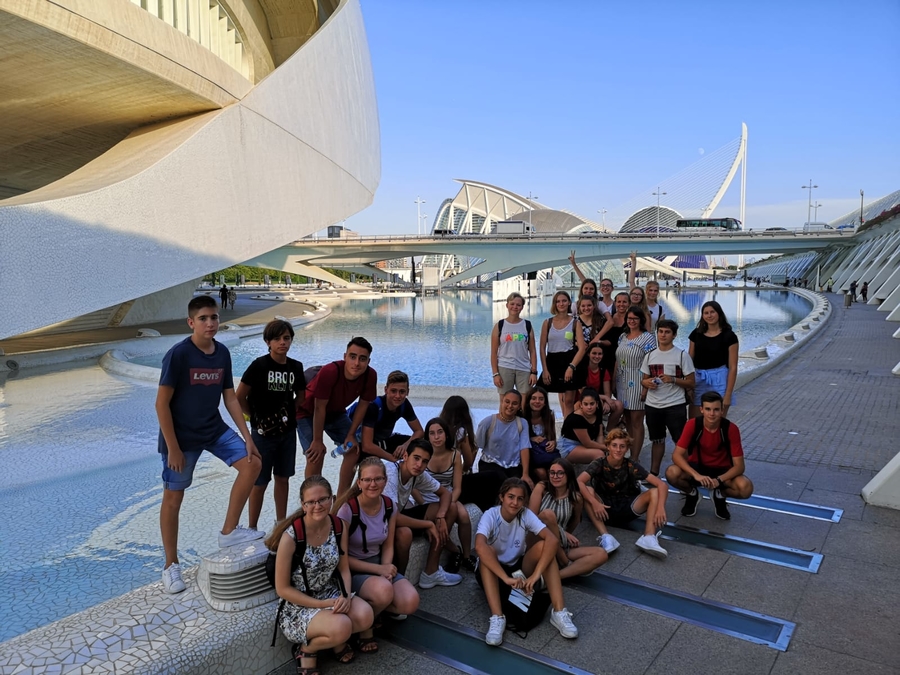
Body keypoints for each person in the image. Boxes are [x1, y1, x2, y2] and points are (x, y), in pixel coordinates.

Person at [157, 296, 263, 595]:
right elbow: (161, 404)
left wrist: (248, 438)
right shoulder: (179, 355)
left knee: (253, 463)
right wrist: (173, 448)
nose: (210, 323)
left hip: (213, 429)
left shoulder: (222, 353)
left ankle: (229, 531)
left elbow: (230, 397)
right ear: (191, 322)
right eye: (203, 318)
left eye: (214, 317)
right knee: (173, 498)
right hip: (181, 438)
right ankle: (170, 564)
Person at [268, 476, 373, 673]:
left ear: (332, 499)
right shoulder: (291, 537)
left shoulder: (339, 526)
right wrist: (321, 605)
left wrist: (345, 595)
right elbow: (282, 589)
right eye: (311, 502)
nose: (318, 506)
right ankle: (307, 650)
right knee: (342, 626)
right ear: (303, 505)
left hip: (329, 592)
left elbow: (343, 568)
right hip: (298, 605)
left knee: (365, 616)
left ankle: (336, 641)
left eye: (323, 499)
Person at [475, 478, 579, 646]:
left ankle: (559, 611)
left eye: (520, 498)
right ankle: (497, 617)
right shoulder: (491, 515)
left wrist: (536, 575)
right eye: (511, 497)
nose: (515, 503)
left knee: (545, 547)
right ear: (501, 497)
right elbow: (479, 546)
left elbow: (552, 540)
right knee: (488, 551)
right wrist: (505, 578)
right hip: (494, 571)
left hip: (518, 567)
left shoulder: (525, 514)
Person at [334, 458, 419, 651]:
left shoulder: (389, 506)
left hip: (379, 564)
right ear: (359, 482)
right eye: (367, 479)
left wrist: (386, 569)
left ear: (385, 481)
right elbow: (342, 558)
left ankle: (369, 614)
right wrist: (379, 570)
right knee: (383, 590)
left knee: (410, 601)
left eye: (378, 479)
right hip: (353, 569)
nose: (373, 484)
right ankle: (365, 628)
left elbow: (388, 544)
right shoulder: (347, 510)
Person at [236, 320, 306, 532]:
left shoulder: (295, 367)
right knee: (259, 482)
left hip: (287, 433)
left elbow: (301, 396)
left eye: (286, 338)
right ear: (268, 342)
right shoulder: (259, 366)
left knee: (283, 478)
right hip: (262, 435)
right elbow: (239, 396)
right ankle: (252, 527)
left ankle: (281, 523)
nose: (282, 342)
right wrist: (255, 417)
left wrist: (288, 414)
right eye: (277, 339)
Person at [295, 338, 377, 488]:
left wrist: (351, 434)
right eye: (352, 357)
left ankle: (342, 498)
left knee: (353, 449)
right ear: (345, 356)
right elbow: (319, 407)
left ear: (368, 361)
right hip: (307, 412)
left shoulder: (370, 376)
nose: (356, 363)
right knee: (315, 454)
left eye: (362, 359)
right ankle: (313, 497)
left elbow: (363, 406)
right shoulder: (330, 371)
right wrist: (317, 440)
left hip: (335, 413)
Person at [382, 440, 462, 588]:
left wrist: (440, 516)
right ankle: (399, 581)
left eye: (425, 461)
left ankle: (431, 572)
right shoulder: (391, 473)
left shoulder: (418, 474)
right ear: (405, 456)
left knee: (451, 508)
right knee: (404, 534)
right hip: (380, 523)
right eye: (416, 458)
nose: (419, 465)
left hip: (397, 515)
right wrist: (428, 524)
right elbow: (393, 517)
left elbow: (445, 494)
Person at [577, 429, 668, 557]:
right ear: (608, 446)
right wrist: (594, 503)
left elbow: (662, 485)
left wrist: (660, 508)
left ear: (627, 449)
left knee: (654, 492)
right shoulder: (599, 463)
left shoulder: (631, 465)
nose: (618, 449)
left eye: (622, 446)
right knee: (588, 490)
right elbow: (578, 481)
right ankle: (606, 536)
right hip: (603, 508)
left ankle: (648, 536)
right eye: (614, 445)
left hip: (628, 506)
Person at [665, 391, 753, 521]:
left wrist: (719, 480)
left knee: (745, 488)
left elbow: (739, 467)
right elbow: (676, 455)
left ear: (722, 411)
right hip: (697, 468)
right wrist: (696, 475)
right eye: (708, 409)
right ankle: (692, 493)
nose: (712, 414)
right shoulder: (692, 424)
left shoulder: (731, 429)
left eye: (716, 410)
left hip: (722, 471)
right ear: (701, 410)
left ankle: (720, 495)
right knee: (671, 472)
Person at [529, 459, 608, 579]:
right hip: (538, 539)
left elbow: (573, 523)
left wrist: (563, 534)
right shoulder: (542, 488)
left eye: (560, 473)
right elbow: (531, 519)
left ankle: (555, 577)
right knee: (548, 515)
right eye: (552, 473)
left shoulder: (575, 498)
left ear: (568, 475)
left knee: (601, 554)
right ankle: (564, 562)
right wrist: (563, 532)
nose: (555, 476)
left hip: (560, 545)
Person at [419, 418, 476, 573]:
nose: (436, 437)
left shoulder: (455, 455)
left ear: (446, 434)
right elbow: (414, 486)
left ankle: (466, 556)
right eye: (432, 433)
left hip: (448, 495)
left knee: (463, 515)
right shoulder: (422, 454)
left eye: (440, 432)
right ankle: (455, 551)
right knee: (432, 525)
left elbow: (457, 488)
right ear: (427, 436)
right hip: (425, 497)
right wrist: (423, 503)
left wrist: (448, 504)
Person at [640, 319, 695, 477]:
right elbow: (644, 380)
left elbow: (691, 382)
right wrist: (647, 383)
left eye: (667, 332)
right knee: (657, 440)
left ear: (674, 335)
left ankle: (688, 474)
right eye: (660, 331)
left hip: (675, 405)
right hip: (653, 405)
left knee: (680, 442)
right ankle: (653, 474)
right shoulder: (650, 356)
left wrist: (673, 380)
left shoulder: (682, 356)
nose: (663, 335)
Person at [344, 370, 423, 477]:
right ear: (386, 390)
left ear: (407, 392)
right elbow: (367, 446)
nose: (398, 396)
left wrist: (405, 446)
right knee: (368, 473)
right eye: (393, 391)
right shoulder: (374, 406)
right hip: (360, 443)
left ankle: (413, 478)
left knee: (420, 445)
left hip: (383, 440)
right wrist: (392, 459)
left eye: (402, 392)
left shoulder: (404, 404)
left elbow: (419, 431)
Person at [615, 306, 657, 463]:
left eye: (635, 318)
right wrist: (613, 381)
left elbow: (651, 363)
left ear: (641, 320)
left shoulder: (648, 338)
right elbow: (617, 360)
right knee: (627, 420)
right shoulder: (623, 337)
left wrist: (646, 388)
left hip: (638, 381)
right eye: (629, 318)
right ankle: (631, 452)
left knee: (637, 421)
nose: (631, 321)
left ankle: (635, 457)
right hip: (622, 381)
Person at [539, 291, 587, 418]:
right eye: (558, 301)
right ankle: (543, 424)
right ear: (554, 304)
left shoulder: (575, 323)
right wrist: (545, 369)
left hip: (569, 360)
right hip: (552, 361)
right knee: (540, 395)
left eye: (564, 301)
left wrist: (571, 367)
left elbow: (581, 348)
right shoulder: (547, 323)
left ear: (569, 303)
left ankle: (568, 426)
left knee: (569, 400)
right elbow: (542, 347)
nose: (561, 304)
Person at [688, 301, 738, 418]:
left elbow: (733, 367)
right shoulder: (696, 334)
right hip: (698, 378)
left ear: (719, 313)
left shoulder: (729, 336)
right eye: (706, 313)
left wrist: (728, 395)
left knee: (716, 420)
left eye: (712, 312)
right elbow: (689, 361)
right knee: (694, 421)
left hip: (720, 379)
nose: (709, 315)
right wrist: (689, 387)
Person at [475, 390, 533, 488]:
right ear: (502, 402)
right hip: (490, 463)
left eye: (514, 403)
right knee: (505, 484)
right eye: (507, 402)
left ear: (519, 406)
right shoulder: (488, 422)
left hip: (513, 466)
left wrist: (525, 474)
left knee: (521, 486)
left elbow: (524, 448)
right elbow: (477, 446)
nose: (510, 406)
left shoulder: (522, 423)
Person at [490, 292, 538, 397]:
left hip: (524, 368)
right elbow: (493, 352)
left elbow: (533, 351)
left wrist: (534, 372)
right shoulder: (500, 325)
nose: (515, 307)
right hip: (504, 367)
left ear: (522, 307)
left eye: (518, 305)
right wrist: (495, 374)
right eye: (512, 304)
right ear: (507, 305)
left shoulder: (527, 325)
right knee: (505, 401)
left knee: (525, 400)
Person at [580, 341, 623, 429]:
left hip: (599, 400)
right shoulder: (582, 369)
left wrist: (607, 401)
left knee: (619, 405)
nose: (597, 356)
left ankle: (609, 431)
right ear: (588, 354)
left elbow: (607, 392)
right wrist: (605, 398)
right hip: (585, 401)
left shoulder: (603, 371)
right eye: (594, 353)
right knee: (582, 405)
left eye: (600, 354)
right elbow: (584, 393)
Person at [557, 388, 608, 464]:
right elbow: (587, 443)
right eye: (586, 404)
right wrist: (607, 448)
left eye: (592, 404)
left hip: (583, 444)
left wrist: (603, 448)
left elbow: (600, 435)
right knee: (599, 455)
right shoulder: (576, 418)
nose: (589, 407)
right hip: (569, 446)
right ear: (581, 405)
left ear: (597, 404)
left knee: (603, 452)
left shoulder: (597, 413)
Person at [523, 386, 558, 483]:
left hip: (544, 452)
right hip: (529, 454)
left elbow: (552, 436)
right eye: (534, 398)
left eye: (541, 399)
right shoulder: (523, 416)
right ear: (528, 401)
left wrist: (553, 443)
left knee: (556, 469)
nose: (537, 402)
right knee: (541, 473)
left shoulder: (549, 415)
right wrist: (531, 439)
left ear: (545, 402)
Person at [594, 292, 629, 384]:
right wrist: (599, 341)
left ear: (629, 304)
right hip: (609, 357)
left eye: (624, 302)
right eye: (619, 302)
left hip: (625, 356)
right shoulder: (609, 319)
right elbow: (606, 338)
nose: (621, 304)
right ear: (615, 303)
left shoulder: (631, 320)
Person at [439, 395, 476, 472]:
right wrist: (462, 471)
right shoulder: (460, 432)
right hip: (450, 472)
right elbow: (469, 461)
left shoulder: (438, 427)